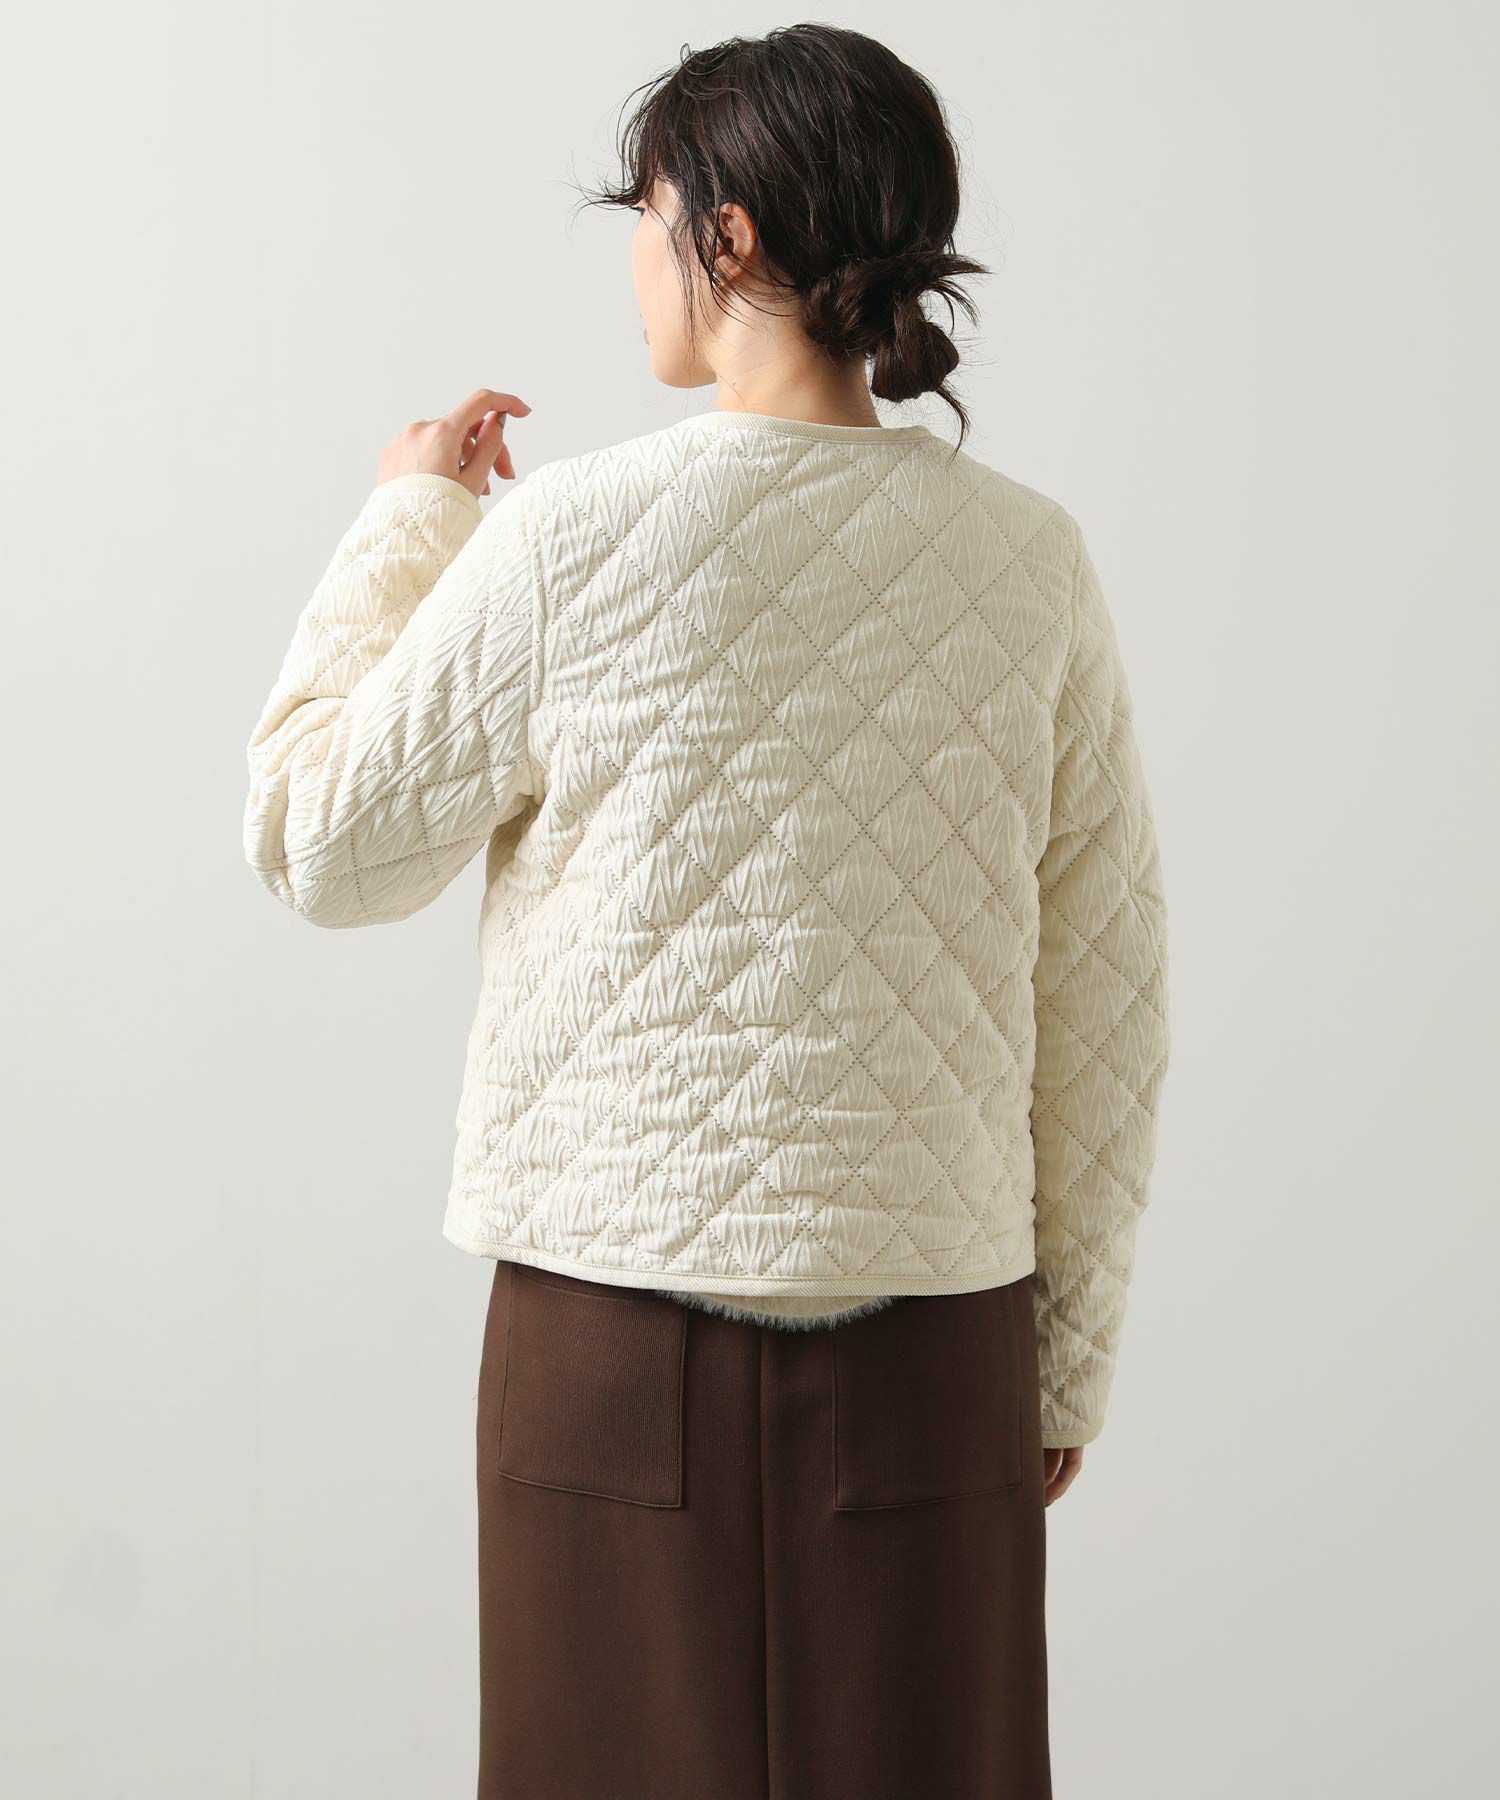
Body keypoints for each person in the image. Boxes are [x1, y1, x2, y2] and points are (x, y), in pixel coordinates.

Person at [242, 23, 1170, 1800]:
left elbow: (317, 842)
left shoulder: (566, 540)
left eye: (647, 215)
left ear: (726, 238)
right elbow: (1108, 986)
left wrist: (409, 518)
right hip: (934, 1342)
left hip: (607, 1347)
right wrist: (1061, 1368)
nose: (634, 258)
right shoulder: (1030, 560)